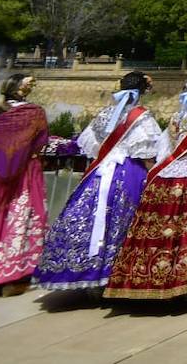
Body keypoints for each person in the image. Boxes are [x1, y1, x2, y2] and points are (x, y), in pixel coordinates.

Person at [105, 73, 187, 300]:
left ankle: (145, 279)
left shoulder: (177, 117)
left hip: (168, 177)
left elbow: (162, 150)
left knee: (162, 226)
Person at [35, 72, 161, 293]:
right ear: (142, 92)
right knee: (125, 219)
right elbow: (146, 152)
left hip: (100, 171)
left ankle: (79, 268)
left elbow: (90, 145)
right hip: (128, 171)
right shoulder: (142, 117)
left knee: (88, 214)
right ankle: (114, 274)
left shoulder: (105, 114)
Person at [0, 75, 49, 294]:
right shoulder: (34, 113)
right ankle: (14, 275)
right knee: (22, 217)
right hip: (25, 173)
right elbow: (41, 142)